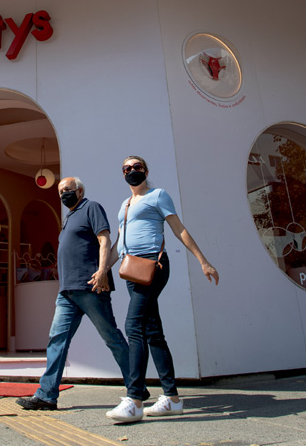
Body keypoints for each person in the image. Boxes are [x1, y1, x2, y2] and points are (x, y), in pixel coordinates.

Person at [105, 155, 219, 423]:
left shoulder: (158, 195)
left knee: (133, 326)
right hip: (131, 270)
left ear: (145, 170)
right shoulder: (125, 203)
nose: (132, 171)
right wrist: (102, 270)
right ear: (123, 174)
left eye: (136, 167)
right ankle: (172, 399)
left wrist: (203, 261)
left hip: (153, 267)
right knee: (152, 331)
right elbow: (119, 242)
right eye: (127, 168)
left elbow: (179, 230)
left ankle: (134, 400)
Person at [16, 176, 130, 411]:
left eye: (67, 189)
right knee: (57, 341)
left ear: (79, 191)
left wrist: (102, 271)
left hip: (90, 287)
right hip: (67, 292)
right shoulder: (69, 217)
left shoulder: (91, 208)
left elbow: (104, 239)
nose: (63, 194)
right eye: (60, 192)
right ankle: (47, 396)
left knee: (112, 338)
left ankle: (136, 385)